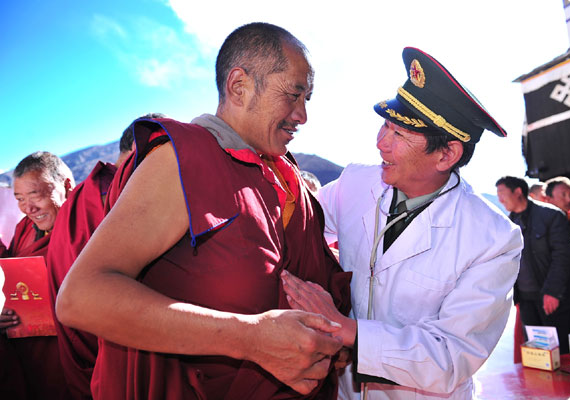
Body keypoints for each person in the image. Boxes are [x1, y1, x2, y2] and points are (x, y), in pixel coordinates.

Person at [56, 22, 351, 400]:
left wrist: (334, 333)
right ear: (239, 86)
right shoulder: (186, 158)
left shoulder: (288, 177)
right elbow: (81, 296)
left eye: (307, 98)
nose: (303, 114)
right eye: (293, 94)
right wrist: (251, 339)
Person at [281, 47, 523, 399]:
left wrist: (348, 332)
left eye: (399, 134)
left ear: (447, 154)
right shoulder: (354, 184)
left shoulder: (493, 238)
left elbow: (450, 357)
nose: (380, 143)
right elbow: (297, 224)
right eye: (385, 125)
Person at [45, 115, 160, 400]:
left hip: (79, 344)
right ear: (142, 149)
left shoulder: (84, 195)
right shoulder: (123, 194)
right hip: (118, 343)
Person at [0, 151, 74, 400]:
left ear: (66, 186)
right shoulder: (24, 228)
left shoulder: (85, 227)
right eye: (19, 198)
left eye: (35, 195)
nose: (28, 208)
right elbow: (10, 278)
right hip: (29, 354)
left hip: (70, 353)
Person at [496, 176, 570, 354]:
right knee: (539, 356)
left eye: (502, 193)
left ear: (518, 192)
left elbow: (563, 256)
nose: (500, 199)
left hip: (558, 299)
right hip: (528, 302)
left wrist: (552, 292)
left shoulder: (551, 215)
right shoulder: (507, 225)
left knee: (564, 356)